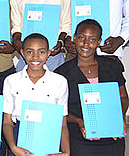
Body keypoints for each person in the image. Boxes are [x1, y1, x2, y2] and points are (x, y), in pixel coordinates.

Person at [55, 19, 129, 156]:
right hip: (79, 134)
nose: (86, 44)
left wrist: (119, 117)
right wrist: (79, 121)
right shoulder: (62, 73)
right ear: (75, 38)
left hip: (111, 132)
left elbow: (123, 97)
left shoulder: (112, 66)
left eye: (92, 39)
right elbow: (59, 110)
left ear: (99, 42)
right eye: (82, 38)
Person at [3, 33, 70, 156]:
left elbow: (62, 122)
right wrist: (13, 147)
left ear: (48, 53)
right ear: (22, 53)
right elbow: (7, 121)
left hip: (50, 136)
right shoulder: (11, 81)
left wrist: (66, 152)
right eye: (30, 52)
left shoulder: (59, 81)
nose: (35, 57)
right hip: (19, 138)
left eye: (41, 52)